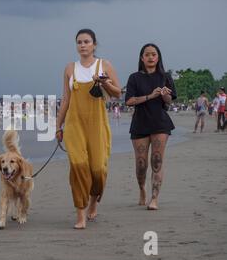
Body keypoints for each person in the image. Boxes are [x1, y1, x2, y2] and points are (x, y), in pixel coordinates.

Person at [56, 29, 122, 229]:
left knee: (98, 169)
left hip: (97, 125)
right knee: (78, 167)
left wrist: (105, 83)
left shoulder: (104, 65)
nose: (82, 45)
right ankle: (80, 215)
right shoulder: (69, 68)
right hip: (74, 125)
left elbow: (118, 93)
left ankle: (93, 201)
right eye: (79, 42)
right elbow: (66, 99)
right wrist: (58, 126)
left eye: (86, 41)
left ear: (94, 44)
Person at [125, 43, 177, 210]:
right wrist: (149, 96)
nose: (150, 57)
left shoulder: (165, 76)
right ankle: (142, 189)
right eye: (147, 54)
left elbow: (169, 101)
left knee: (157, 160)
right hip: (140, 123)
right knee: (141, 164)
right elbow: (129, 101)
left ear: (158, 57)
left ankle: (154, 198)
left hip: (160, 123)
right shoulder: (134, 77)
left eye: (153, 54)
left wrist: (164, 95)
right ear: (142, 58)